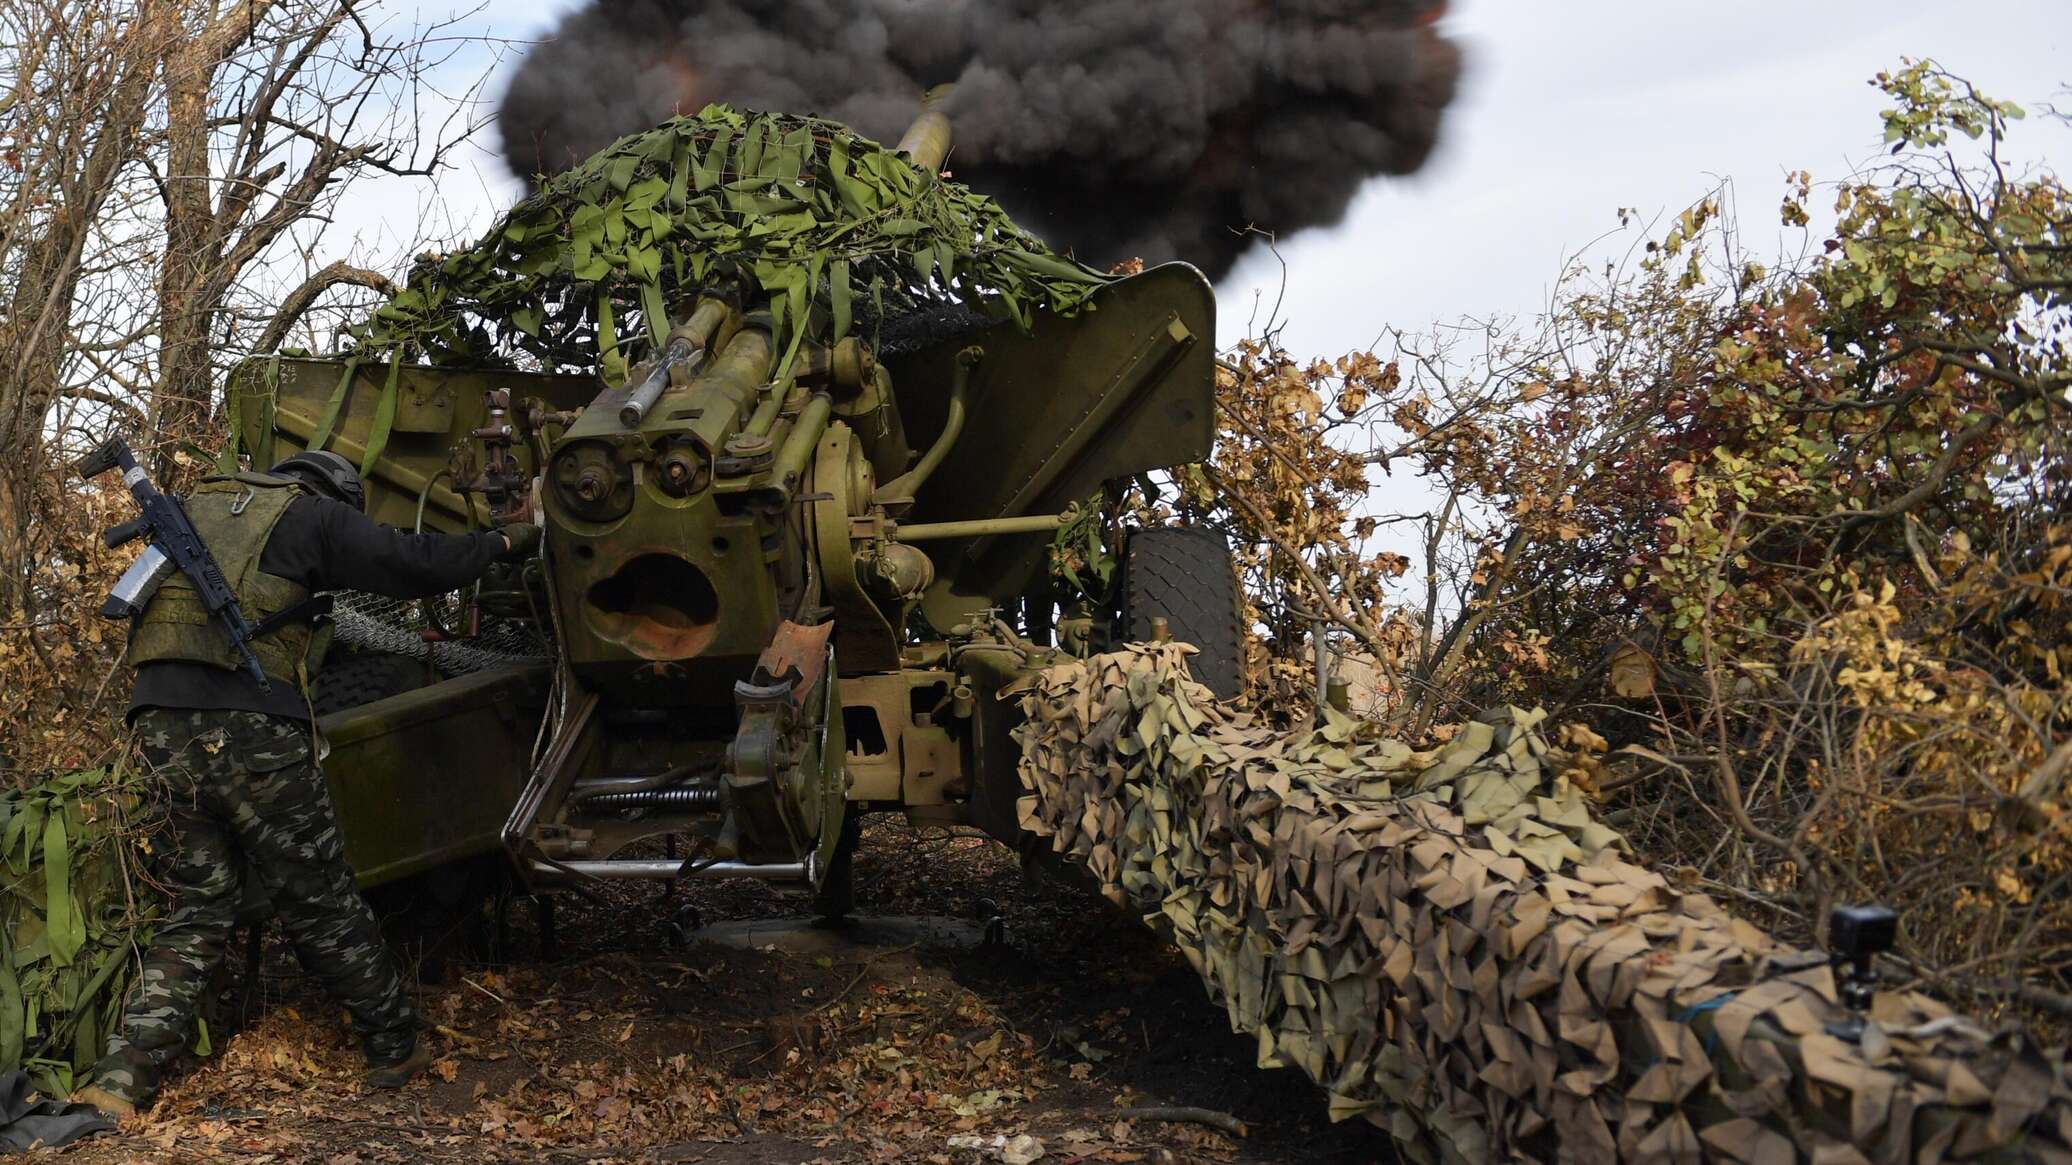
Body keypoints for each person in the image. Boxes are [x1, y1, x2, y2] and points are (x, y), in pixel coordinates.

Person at [70, 450, 540, 1121]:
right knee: (318, 893)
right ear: (334, 491)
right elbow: (419, 563)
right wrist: (502, 539)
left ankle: (119, 1080)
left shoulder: (200, 504)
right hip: (251, 725)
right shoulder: (313, 516)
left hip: (155, 726)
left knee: (200, 904)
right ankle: (394, 1041)